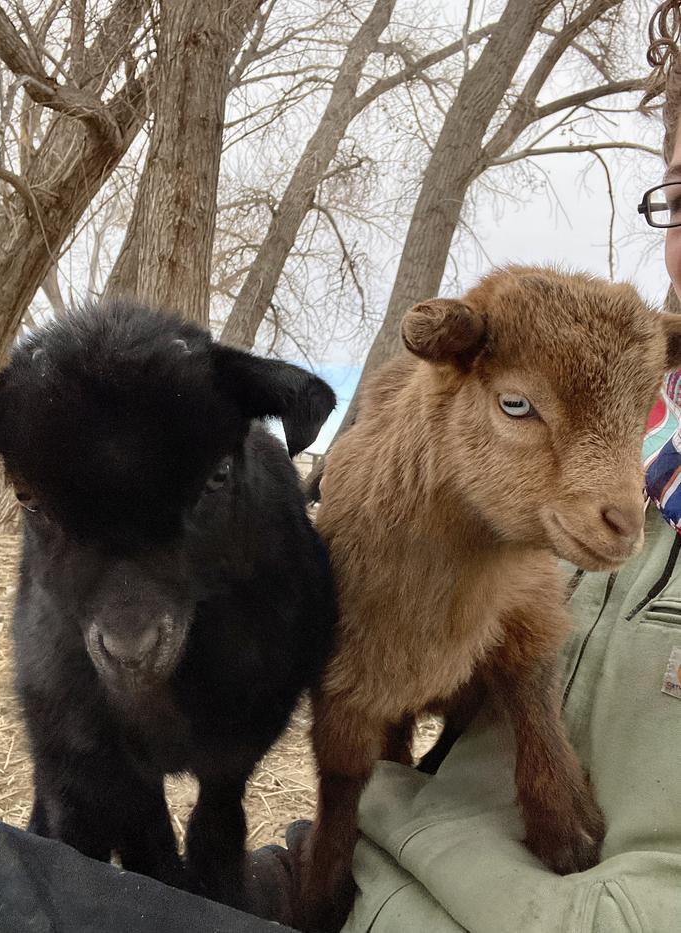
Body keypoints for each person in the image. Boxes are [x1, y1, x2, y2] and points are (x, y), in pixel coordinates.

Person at [249, 5, 681, 932]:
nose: (623, 508)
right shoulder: (413, 485)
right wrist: (326, 844)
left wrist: (540, 747)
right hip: (364, 865)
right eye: (679, 194)